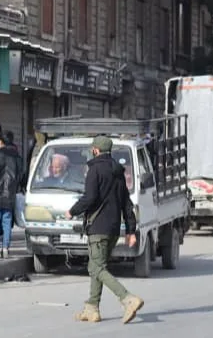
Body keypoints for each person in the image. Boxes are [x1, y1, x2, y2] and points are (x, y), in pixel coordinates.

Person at [65, 136, 143, 324]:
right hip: (114, 228)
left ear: (95, 150)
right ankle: (92, 309)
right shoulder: (118, 171)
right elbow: (126, 203)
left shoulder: (95, 170)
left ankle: (127, 298)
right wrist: (130, 231)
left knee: (96, 267)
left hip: (98, 227)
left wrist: (72, 211)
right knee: (97, 266)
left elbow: (90, 197)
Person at [0, 125, 24, 259]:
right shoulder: (17, 157)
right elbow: (21, 176)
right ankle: (6, 248)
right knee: (7, 221)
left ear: (0, 141)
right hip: (9, 194)